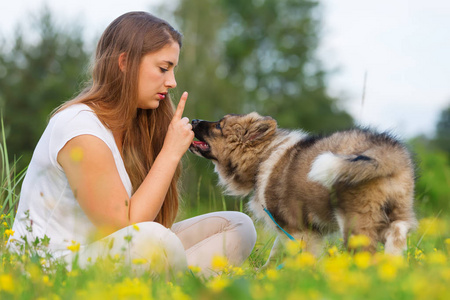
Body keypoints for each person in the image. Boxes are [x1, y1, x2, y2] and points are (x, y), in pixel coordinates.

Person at [7, 11, 256, 276]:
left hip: (109, 255)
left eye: (172, 70)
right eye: (163, 68)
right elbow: (127, 229)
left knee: (238, 227)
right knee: (154, 241)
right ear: (125, 62)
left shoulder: (135, 126)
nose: (171, 82)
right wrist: (170, 153)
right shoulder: (78, 127)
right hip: (49, 268)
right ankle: (180, 286)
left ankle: (178, 286)